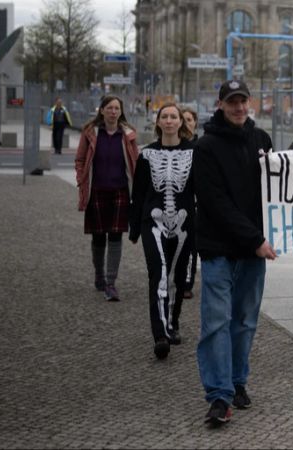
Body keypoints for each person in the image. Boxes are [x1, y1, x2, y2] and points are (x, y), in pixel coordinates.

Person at [193, 80, 277, 427]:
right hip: (218, 249)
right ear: (221, 104)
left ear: (250, 102)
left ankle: (238, 380)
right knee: (216, 323)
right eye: (232, 102)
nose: (239, 107)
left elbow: (278, 189)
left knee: (244, 322)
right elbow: (216, 203)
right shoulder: (206, 147)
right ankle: (219, 395)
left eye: (243, 101)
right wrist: (255, 238)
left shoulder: (262, 141)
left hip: (253, 250)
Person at [129, 103, 196, 360]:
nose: (169, 121)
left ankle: (172, 323)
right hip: (153, 221)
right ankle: (160, 334)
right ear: (158, 122)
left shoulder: (194, 152)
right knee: (158, 274)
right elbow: (139, 192)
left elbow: (201, 190)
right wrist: (135, 229)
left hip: (184, 222)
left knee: (179, 278)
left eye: (173, 117)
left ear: (181, 122)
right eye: (164, 116)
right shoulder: (147, 154)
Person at [75, 95, 140, 302]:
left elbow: (135, 160)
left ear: (121, 111)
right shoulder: (91, 133)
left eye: (117, 108)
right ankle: (99, 275)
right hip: (97, 190)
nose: (113, 112)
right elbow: (80, 159)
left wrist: (137, 187)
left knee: (115, 236)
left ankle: (111, 283)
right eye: (109, 108)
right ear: (101, 110)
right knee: (98, 237)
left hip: (120, 191)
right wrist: (81, 178)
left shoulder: (128, 134)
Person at [181, 106, 199, 300]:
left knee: (192, 246)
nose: (186, 123)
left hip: (195, 204)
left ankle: (187, 281)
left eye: (190, 119)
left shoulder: (200, 147)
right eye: (183, 119)